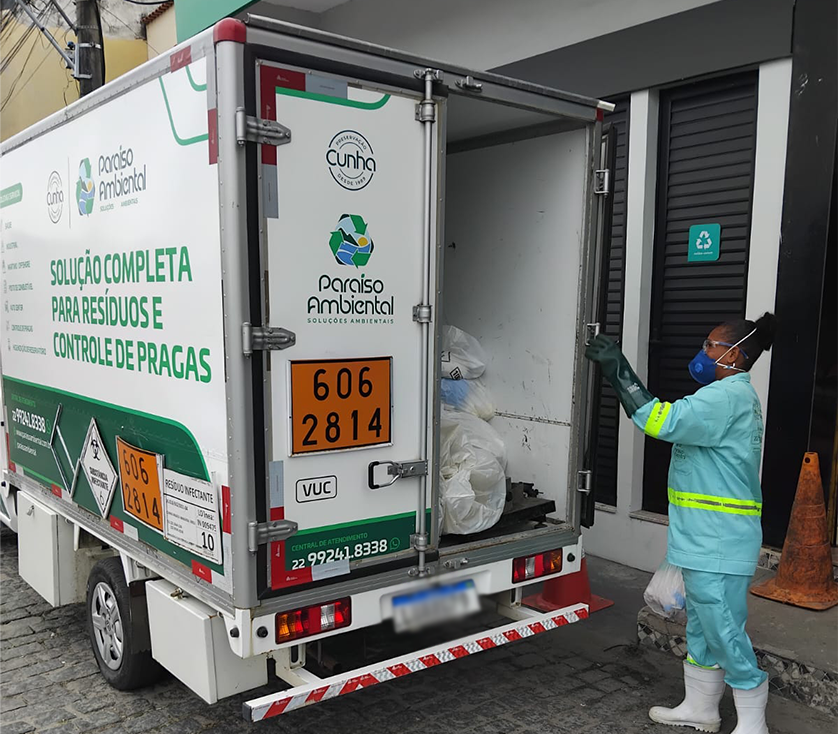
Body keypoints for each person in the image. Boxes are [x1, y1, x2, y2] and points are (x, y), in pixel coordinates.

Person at [586, 313, 778, 734]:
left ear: (734, 355)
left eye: (710, 345)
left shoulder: (725, 398)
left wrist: (618, 369)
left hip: (719, 539)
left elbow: (660, 420)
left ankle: (753, 721)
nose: (703, 351)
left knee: (723, 627)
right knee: (704, 627)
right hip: (704, 536)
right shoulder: (726, 396)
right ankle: (700, 708)